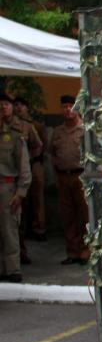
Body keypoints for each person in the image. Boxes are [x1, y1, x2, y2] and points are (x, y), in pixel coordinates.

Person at [50, 96, 90, 266]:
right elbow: (52, 152)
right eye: (64, 107)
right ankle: (73, 251)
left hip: (80, 176)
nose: (67, 110)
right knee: (67, 215)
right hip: (63, 176)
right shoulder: (58, 132)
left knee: (84, 215)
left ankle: (86, 251)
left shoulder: (85, 129)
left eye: (70, 106)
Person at [0, 94, 31, 282]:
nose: (3, 108)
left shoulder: (15, 134)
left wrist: (21, 192)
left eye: (6, 104)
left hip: (7, 186)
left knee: (9, 229)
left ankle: (12, 269)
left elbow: (24, 166)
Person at [13, 98, 47, 243]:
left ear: (27, 107)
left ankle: (39, 228)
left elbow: (42, 144)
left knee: (37, 197)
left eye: (22, 105)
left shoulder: (34, 125)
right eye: (16, 105)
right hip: (17, 167)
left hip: (34, 164)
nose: (19, 108)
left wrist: (33, 158)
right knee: (21, 198)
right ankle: (23, 229)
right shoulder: (11, 125)